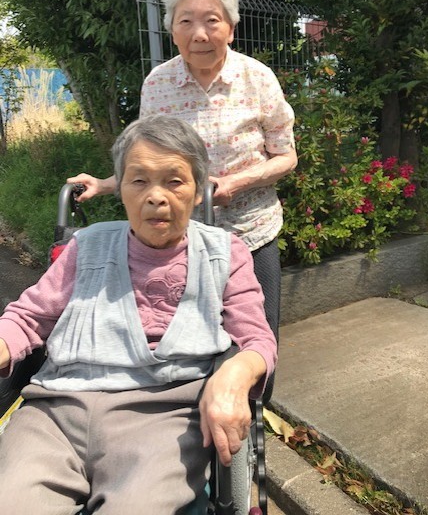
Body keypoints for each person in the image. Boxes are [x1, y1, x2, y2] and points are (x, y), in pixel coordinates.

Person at [0, 114, 277, 515]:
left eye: (174, 181)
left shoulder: (224, 253)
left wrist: (235, 375)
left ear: (198, 190)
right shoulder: (86, 246)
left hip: (164, 419)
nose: (156, 197)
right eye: (139, 181)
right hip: (57, 412)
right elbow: (28, 317)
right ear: (122, 189)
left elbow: (257, 340)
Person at [68, 0, 297, 349]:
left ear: (231, 28)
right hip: (179, 240)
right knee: (184, 342)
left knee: (257, 338)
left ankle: (257, 387)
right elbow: (149, 161)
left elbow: (286, 157)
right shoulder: (158, 84)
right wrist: (104, 184)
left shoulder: (257, 78)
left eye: (212, 21)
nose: (199, 34)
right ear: (172, 30)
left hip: (250, 233)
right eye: (186, 21)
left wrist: (237, 182)